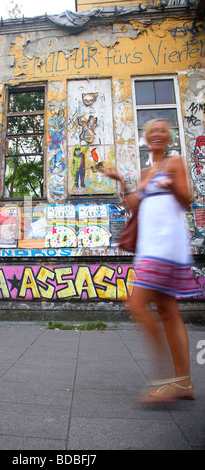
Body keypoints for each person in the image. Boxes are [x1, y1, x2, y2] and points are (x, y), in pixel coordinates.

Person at [106, 118, 201, 403]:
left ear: (168, 137)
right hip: (149, 247)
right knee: (167, 311)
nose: (157, 134)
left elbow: (187, 200)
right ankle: (183, 383)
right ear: (147, 139)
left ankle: (166, 381)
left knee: (136, 304)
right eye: (152, 131)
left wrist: (171, 185)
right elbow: (133, 204)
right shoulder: (146, 172)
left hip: (165, 246)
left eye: (163, 130)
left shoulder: (174, 163)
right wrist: (122, 183)